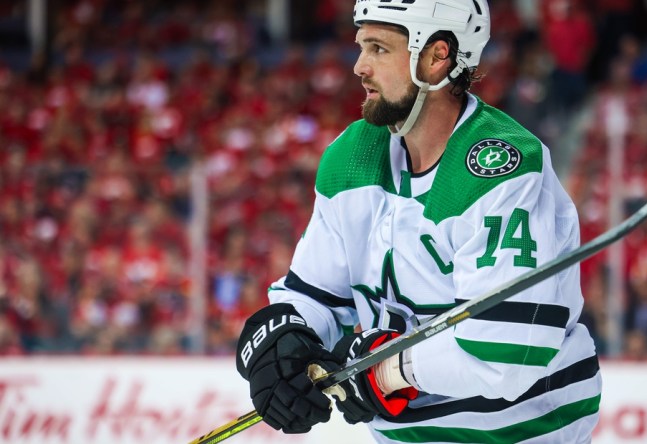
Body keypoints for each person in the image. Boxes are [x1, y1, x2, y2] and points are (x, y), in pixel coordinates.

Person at [235, 0, 602, 442]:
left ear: (436, 57)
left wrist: (388, 372)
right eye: (360, 47)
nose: (359, 67)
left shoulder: (501, 167)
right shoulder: (353, 157)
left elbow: (506, 353)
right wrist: (279, 340)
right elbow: (317, 295)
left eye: (379, 49)